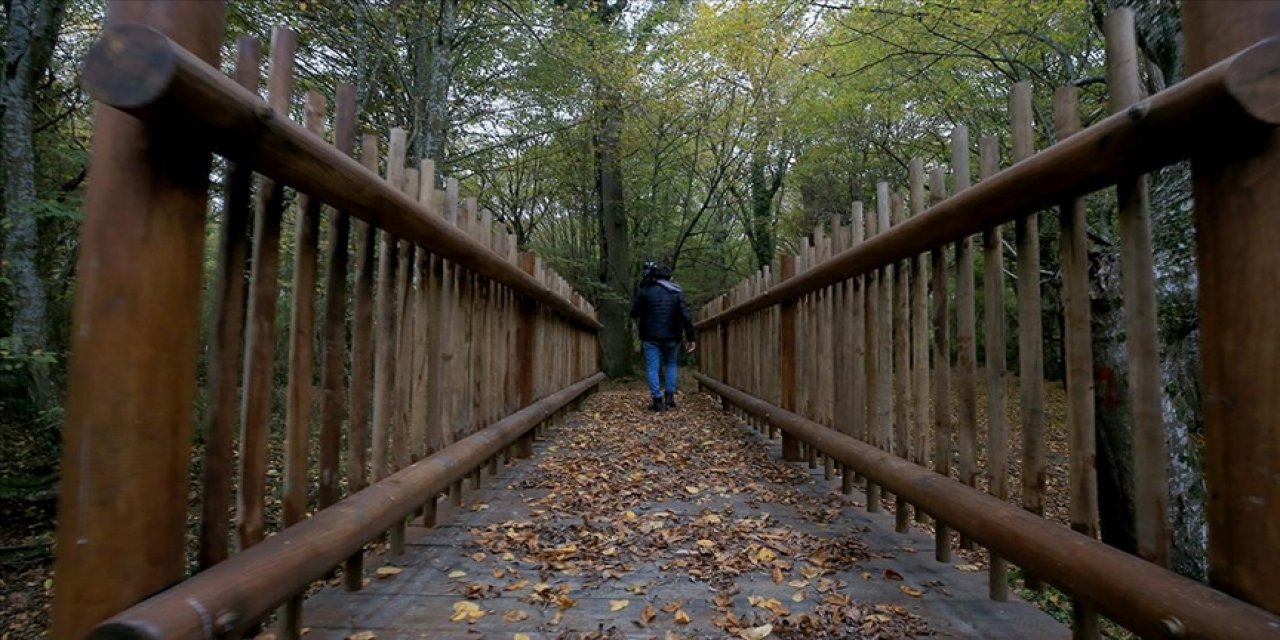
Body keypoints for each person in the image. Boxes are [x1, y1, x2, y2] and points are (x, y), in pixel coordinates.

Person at [630, 261, 697, 412]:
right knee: (671, 364)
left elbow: (634, 313)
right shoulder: (677, 292)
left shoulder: (645, 291)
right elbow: (685, 317)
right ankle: (670, 397)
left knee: (652, 367)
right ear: (670, 277)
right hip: (673, 335)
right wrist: (691, 337)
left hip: (650, 335)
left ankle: (657, 400)